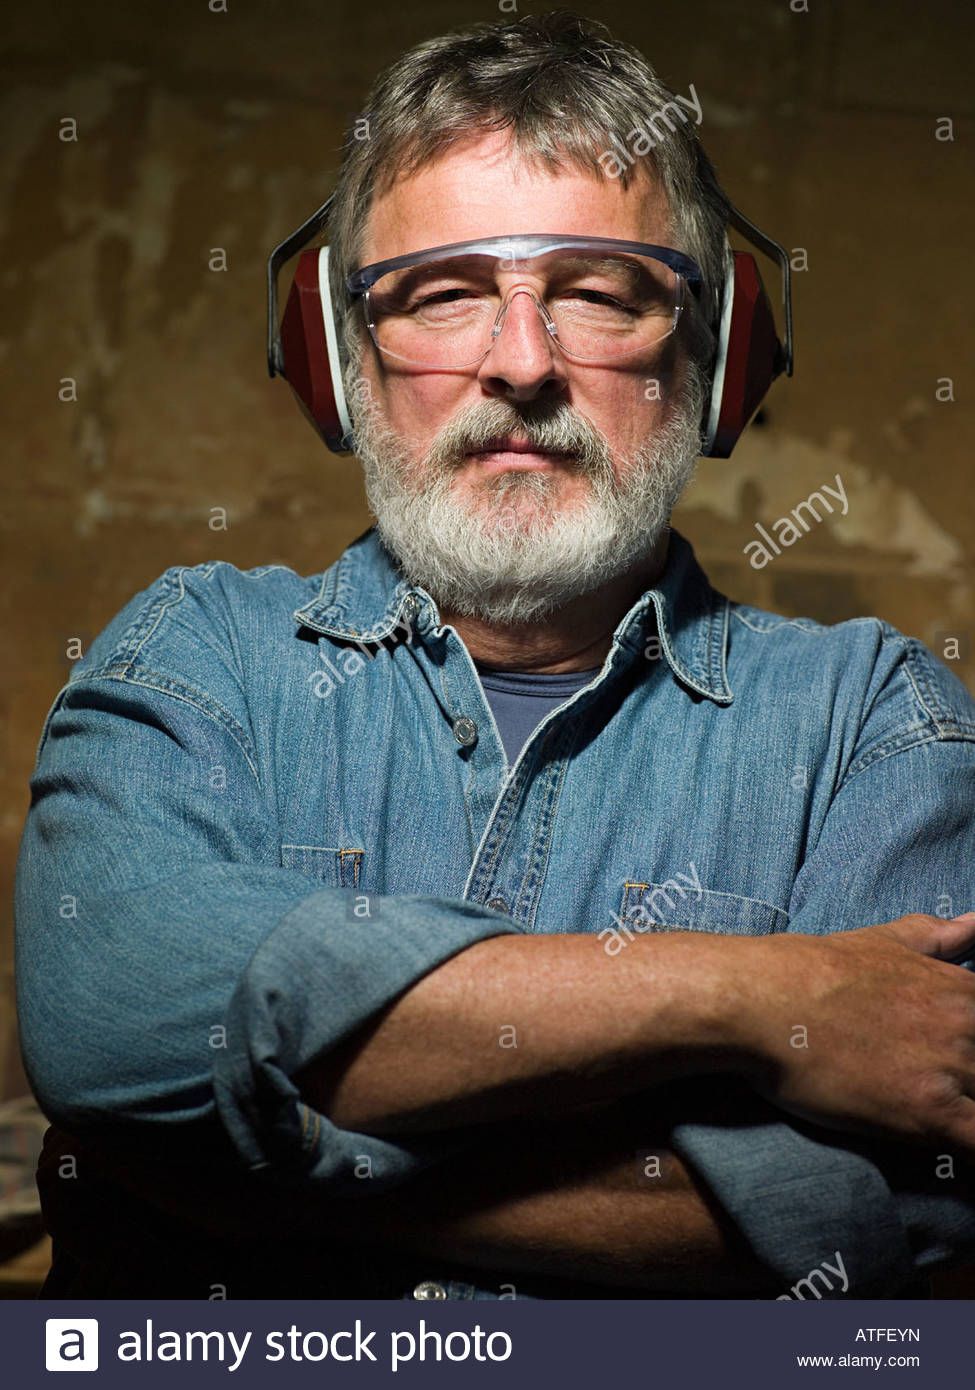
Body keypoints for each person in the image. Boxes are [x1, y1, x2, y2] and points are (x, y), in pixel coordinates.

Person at [15, 11, 975, 1301]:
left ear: (711, 353)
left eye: (597, 292)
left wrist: (232, 1173)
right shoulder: (198, 655)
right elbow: (107, 1020)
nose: (522, 363)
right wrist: (759, 996)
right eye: (445, 294)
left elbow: (909, 1216)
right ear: (341, 367)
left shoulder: (876, 719)